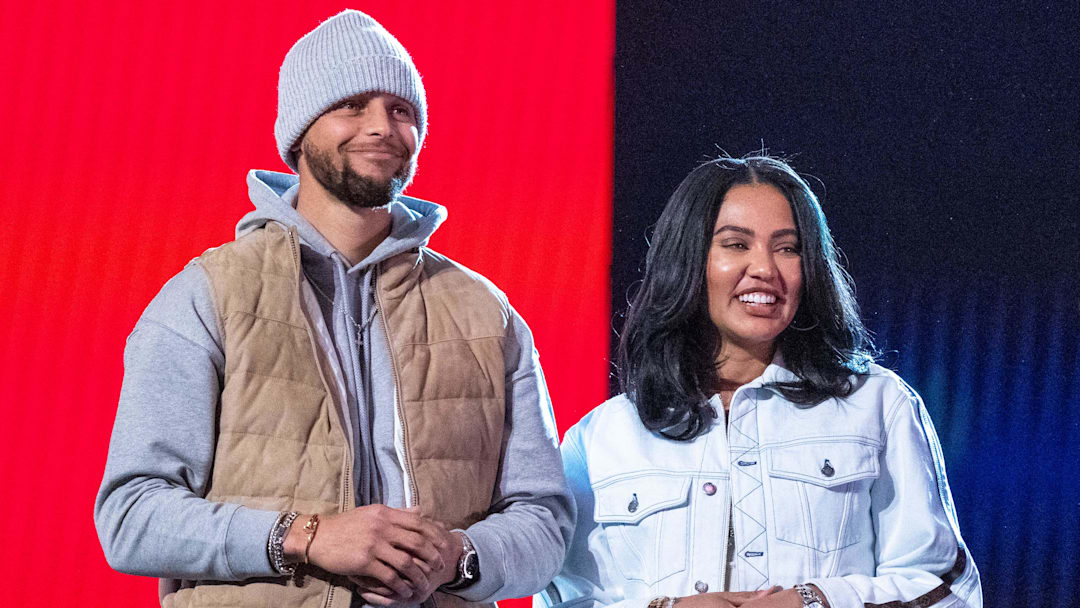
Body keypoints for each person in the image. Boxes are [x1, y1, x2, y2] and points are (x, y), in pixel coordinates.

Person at [94, 9, 572, 608]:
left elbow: (544, 519)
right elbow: (131, 516)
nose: (381, 127)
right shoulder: (209, 294)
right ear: (299, 133)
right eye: (352, 106)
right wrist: (307, 537)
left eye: (401, 110)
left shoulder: (485, 312)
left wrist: (455, 558)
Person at [539, 156, 981, 608]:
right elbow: (560, 600)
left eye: (788, 248)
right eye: (736, 244)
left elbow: (949, 591)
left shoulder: (878, 405)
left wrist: (817, 601)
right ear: (687, 259)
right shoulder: (600, 438)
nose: (766, 268)